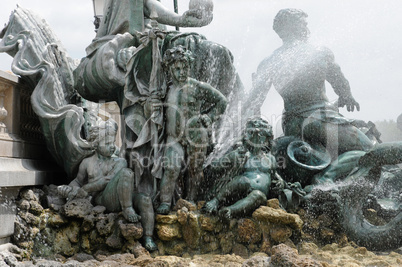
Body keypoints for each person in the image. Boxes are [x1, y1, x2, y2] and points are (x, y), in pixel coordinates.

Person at [249, 9, 374, 159]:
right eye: (303, 24)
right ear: (294, 26)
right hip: (320, 119)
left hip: (291, 124)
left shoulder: (269, 62)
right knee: (370, 151)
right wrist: (347, 96)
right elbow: (338, 79)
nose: (307, 28)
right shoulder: (319, 52)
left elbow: (254, 102)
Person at [58, 119, 157, 251]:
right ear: (96, 144)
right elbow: (77, 181)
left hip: (123, 195)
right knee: (126, 174)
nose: (112, 146)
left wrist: (86, 188)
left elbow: (106, 181)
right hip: (104, 199)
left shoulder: (119, 162)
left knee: (144, 199)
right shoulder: (87, 163)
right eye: (108, 143)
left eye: (113, 142)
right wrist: (70, 189)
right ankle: (127, 209)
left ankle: (148, 237)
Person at [156, 46, 227, 214]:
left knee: (195, 170)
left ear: (190, 67)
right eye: (177, 69)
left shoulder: (197, 86)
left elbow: (221, 101)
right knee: (171, 168)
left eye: (185, 68)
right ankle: (165, 202)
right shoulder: (166, 89)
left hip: (196, 135)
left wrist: (209, 117)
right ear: (170, 69)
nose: (182, 72)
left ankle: (191, 200)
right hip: (173, 137)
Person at [203, 118, 280, 219]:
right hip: (238, 193)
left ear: (266, 139)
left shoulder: (270, 159)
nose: (257, 138)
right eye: (252, 133)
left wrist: (280, 184)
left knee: (259, 195)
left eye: (261, 135)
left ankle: (229, 211)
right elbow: (214, 168)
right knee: (243, 180)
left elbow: (275, 177)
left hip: (256, 197)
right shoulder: (239, 154)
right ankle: (216, 201)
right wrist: (227, 156)